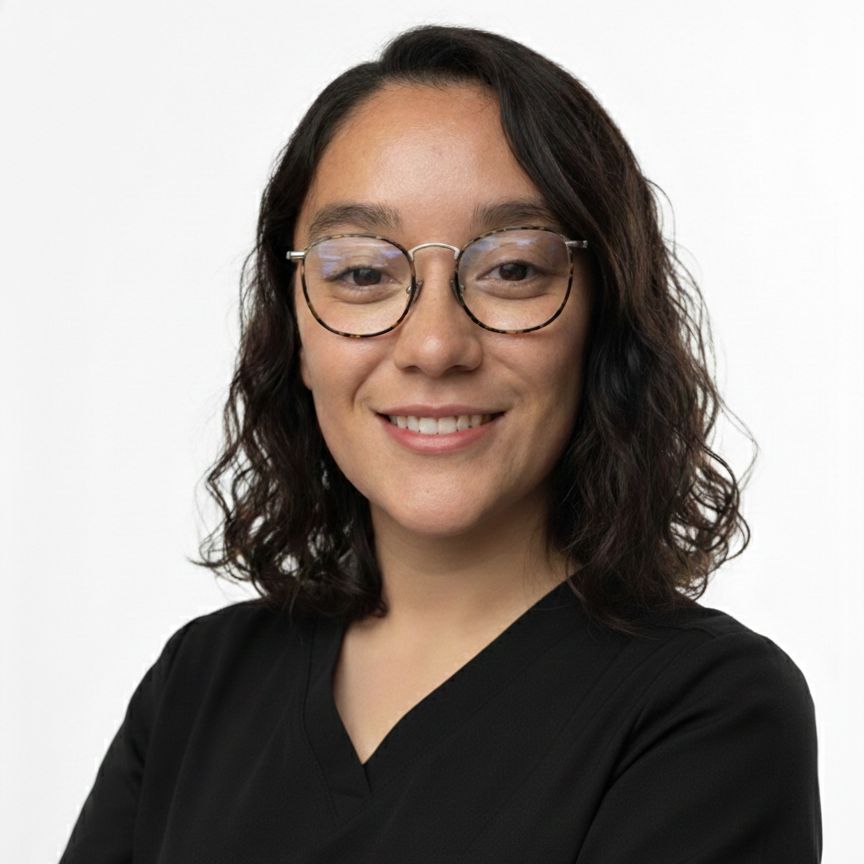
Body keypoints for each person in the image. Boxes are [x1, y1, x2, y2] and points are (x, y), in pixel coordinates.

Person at [58, 24, 822, 863]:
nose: (433, 345)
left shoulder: (707, 709)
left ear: (604, 318)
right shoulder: (200, 684)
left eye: (512, 269)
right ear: (294, 332)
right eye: (361, 273)